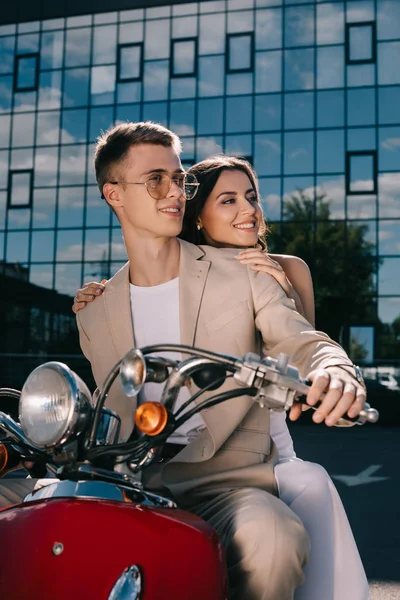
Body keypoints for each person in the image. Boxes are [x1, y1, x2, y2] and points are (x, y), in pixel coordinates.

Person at [1, 122, 367, 600]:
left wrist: (334, 368)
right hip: (128, 482)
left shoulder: (247, 274)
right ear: (115, 194)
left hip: (226, 483)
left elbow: (300, 339)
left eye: (180, 179)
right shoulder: (95, 309)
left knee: (272, 536)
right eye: (156, 180)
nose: (174, 190)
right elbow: (107, 408)